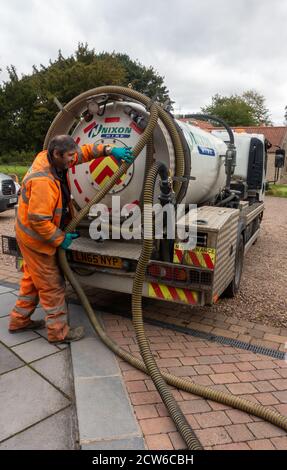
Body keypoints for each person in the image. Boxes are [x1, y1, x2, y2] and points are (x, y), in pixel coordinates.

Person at [9, 135, 134, 343]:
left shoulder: (56, 158)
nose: (73, 159)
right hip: (36, 240)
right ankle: (59, 333)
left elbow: (84, 152)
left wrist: (109, 151)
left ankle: (18, 321)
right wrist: (61, 238)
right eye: (69, 156)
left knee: (32, 281)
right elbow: (39, 221)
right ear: (57, 154)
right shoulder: (43, 180)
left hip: (33, 235)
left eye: (73, 155)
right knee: (52, 286)